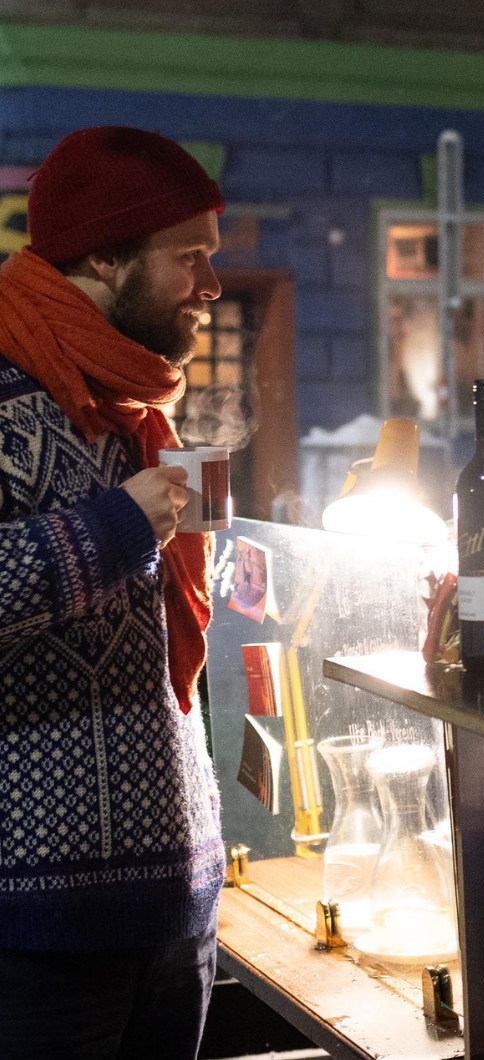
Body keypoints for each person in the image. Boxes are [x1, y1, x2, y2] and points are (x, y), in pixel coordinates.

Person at [0, 126, 227, 1059]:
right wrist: (120, 529)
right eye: (191, 258)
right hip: (40, 928)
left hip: (177, 907)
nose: (210, 285)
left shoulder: (139, 407)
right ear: (103, 254)